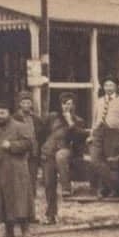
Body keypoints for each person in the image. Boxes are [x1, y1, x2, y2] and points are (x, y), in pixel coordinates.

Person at [0, 101, 35, 237]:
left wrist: (12, 145)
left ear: (9, 113)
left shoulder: (20, 127)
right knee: (4, 203)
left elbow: (29, 144)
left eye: (2, 113)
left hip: (16, 172)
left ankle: (25, 232)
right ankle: (9, 233)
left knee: (20, 202)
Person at [40, 92, 88, 225]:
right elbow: (42, 132)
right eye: (64, 104)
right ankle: (51, 215)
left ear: (74, 105)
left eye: (70, 104)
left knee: (61, 156)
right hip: (49, 153)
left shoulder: (78, 120)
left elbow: (79, 137)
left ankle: (66, 188)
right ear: (60, 105)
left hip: (67, 151)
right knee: (49, 185)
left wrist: (70, 122)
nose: (67, 107)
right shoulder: (52, 117)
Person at [90, 77, 119, 197]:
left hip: (114, 133)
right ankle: (116, 186)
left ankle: (106, 189)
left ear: (116, 87)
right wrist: (91, 134)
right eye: (106, 85)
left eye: (111, 85)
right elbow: (94, 120)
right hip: (99, 133)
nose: (109, 88)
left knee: (110, 161)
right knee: (95, 161)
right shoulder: (99, 101)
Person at [12, 90, 46, 222]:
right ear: (20, 104)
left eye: (28, 102)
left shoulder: (36, 119)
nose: (26, 105)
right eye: (23, 102)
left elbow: (41, 136)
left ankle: (31, 215)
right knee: (18, 185)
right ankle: (18, 216)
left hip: (33, 156)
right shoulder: (14, 118)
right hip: (19, 156)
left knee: (31, 185)